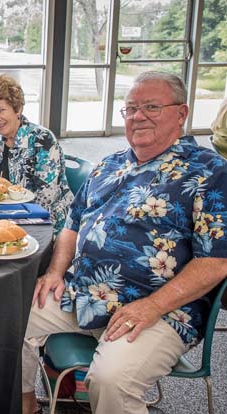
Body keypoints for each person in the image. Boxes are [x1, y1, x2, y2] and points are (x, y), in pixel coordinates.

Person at [21, 72, 227, 414]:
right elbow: (73, 223)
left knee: (112, 379)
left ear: (181, 113)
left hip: (158, 307)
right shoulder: (110, 164)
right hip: (84, 292)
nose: (137, 116)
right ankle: (26, 405)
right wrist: (56, 272)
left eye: (151, 107)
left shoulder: (210, 171)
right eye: (130, 108)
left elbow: (217, 261)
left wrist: (152, 306)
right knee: (5, 320)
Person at [0, 73, 73, 235]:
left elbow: (46, 199)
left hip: (45, 223)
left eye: (1, 110)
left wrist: (6, 221)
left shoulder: (42, 140)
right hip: (6, 219)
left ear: (18, 109)